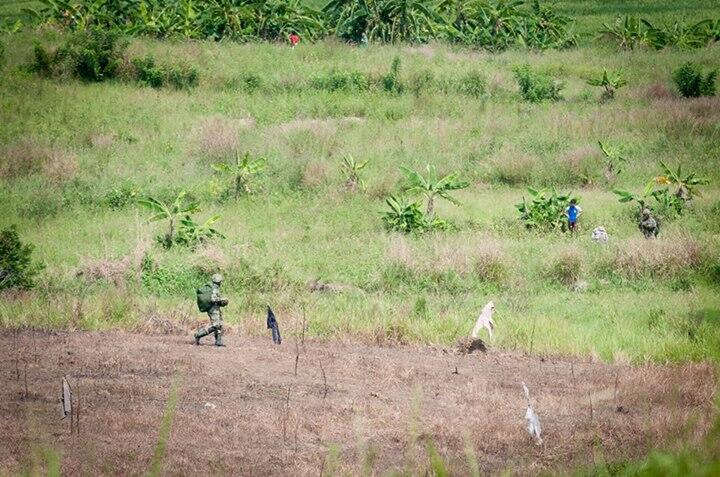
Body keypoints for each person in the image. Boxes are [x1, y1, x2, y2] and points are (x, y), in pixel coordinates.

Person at [194, 274, 228, 346]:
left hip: (215, 309)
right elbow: (213, 300)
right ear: (219, 281)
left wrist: (222, 302)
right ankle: (198, 335)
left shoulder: (214, 288)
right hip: (213, 310)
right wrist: (222, 300)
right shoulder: (215, 289)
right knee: (215, 325)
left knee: (219, 325)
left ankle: (218, 341)